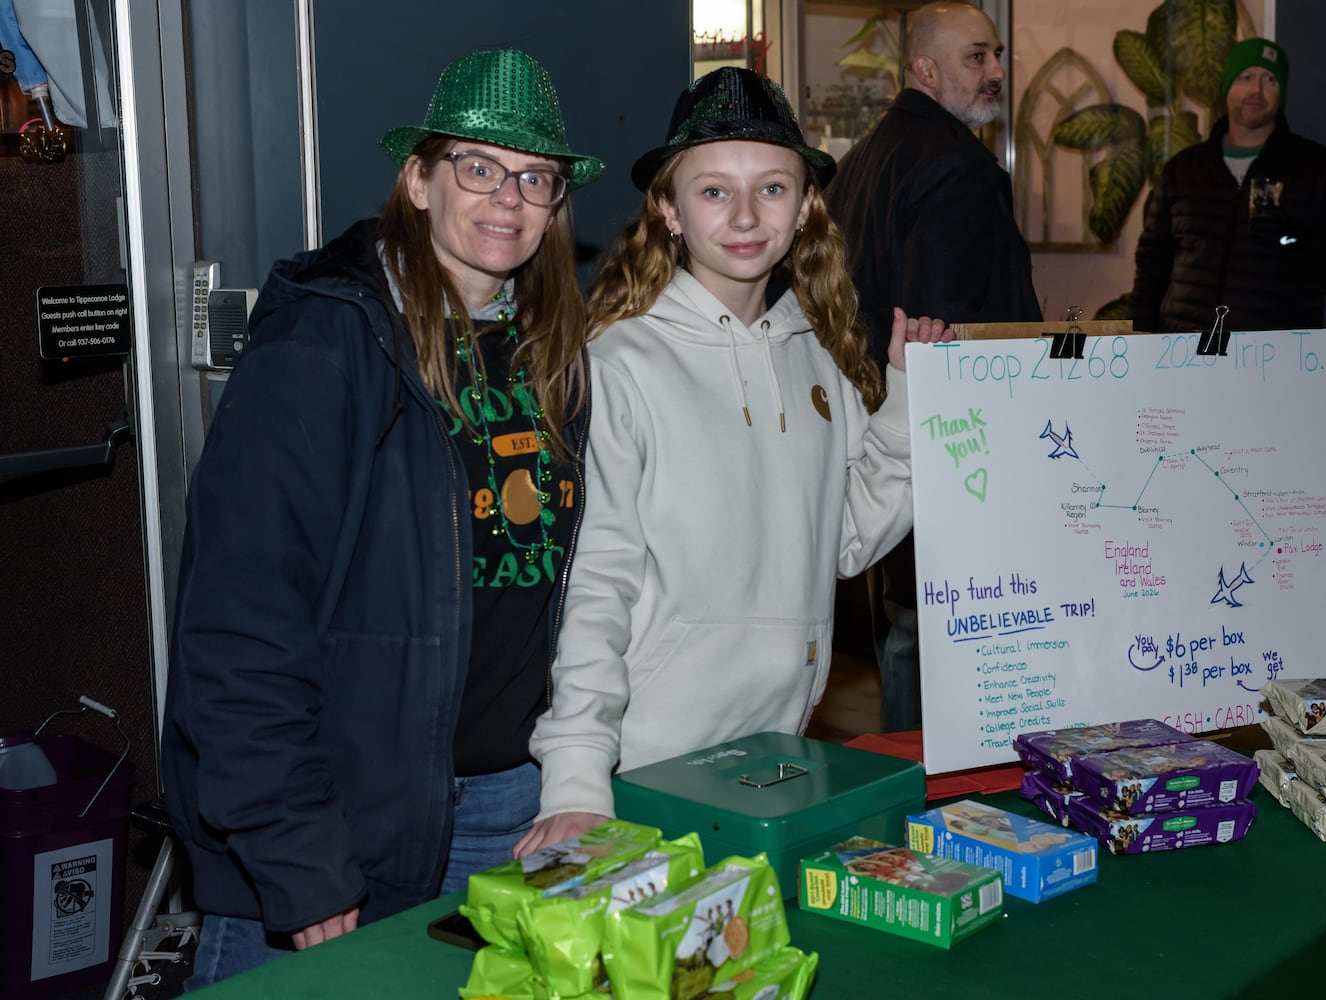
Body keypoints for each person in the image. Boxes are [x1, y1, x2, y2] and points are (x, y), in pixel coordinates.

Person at [160, 49, 602, 984]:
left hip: (505, 811)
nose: (507, 197)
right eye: (477, 167)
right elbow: (237, 628)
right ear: (418, 179)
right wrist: (300, 859)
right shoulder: (328, 343)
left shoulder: (551, 351)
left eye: (535, 178)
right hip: (337, 831)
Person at [516, 68, 951, 852]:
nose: (746, 216)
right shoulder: (620, 363)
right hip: (647, 766)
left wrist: (909, 402)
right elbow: (595, 585)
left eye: (773, 189)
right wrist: (577, 781)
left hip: (777, 754)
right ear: (668, 210)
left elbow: (845, 538)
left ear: (808, 204)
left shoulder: (815, 355)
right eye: (714, 191)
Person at [825, 0, 1041, 732]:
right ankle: (942, 805)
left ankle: (908, 795)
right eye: (976, 57)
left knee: (906, 629)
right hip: (953, 446)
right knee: (938, 645)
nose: (996, 73)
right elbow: (940, 331)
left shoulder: (861, 161)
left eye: (996, 56)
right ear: (924, 68)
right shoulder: (955, 168)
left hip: (883, 435)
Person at [1130, 37, 1326, 333]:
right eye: (1245, 77)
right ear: (1227, 88)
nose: (1256, 90)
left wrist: (1296, 241)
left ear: (1281, 92)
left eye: (1269, 79)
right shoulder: (1183, 170)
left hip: (1274, 359)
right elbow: (1151, 266)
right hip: (1184, 356)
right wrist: (1140, 339)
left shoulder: (1320, 170)